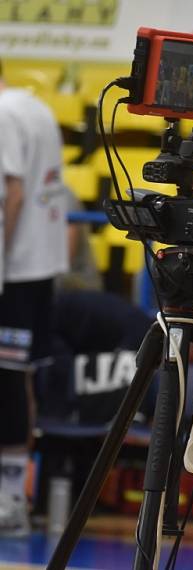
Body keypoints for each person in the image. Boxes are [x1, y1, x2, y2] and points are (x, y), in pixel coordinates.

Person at [0, 58, 68, 535]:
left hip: (13, 268)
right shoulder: (37, 108)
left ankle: (9, 501)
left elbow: (13, 194)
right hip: (38, 265)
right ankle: (11, 498)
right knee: (16, 379)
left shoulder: (3, 113)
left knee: (7, 381)